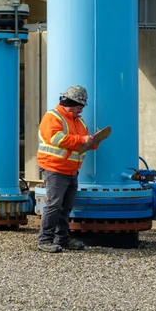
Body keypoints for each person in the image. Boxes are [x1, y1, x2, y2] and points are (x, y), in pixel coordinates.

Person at [36, 84, 111, 253]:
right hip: (55, 169)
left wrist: (93, 141)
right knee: (54, 205)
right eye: (79, 107)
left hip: (70, 171)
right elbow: (58, 140)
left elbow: (81, 144)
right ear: (69, 103)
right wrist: (83, 140)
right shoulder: (53, 117)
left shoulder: (78, 121)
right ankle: (45, 240)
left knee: (65, 206)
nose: (81, 111)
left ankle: (62, 238)